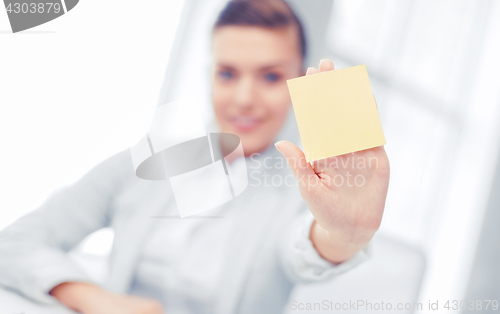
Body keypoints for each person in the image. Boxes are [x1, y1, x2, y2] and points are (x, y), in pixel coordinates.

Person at [0, 0, 390, 313]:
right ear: (209, 75)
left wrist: (343, 235)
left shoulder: (302, 191)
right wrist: (93, 297)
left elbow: (306, 247)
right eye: (227, 73)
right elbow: (15, 243)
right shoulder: (149, 159)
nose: (243, 99)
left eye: (270, 76)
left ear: (297, 84)